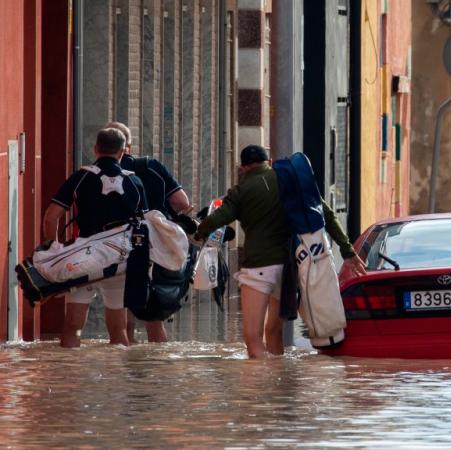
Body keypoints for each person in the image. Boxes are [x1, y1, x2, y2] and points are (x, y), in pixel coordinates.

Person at [194, 145, 367, 359]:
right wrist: (348, 250)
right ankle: (279, 383)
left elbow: (217, 219)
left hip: (259, 268)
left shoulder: (240, 192)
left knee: (253, 337)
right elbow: (327, 215)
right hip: (290, 269)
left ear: (243, 168)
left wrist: (199, 232)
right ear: (270, 160)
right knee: (273, 331)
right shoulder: (291, 181)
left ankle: (261, 389)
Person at [42, 128, 148, 348]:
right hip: (119, 260)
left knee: (73, 327)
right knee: (119, 332)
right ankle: (118, 380)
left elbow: (51, 218)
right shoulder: (135, 183)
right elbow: (144, 226)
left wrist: (53, 250)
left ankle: (71, 378)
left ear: (95, 149)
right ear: (123, 152)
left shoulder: (80, 178)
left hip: (83, 260)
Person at [105, 121, 192, 344]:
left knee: (123, 306)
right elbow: (182, 202)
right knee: (153, 315)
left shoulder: (99, 173)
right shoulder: (150, 166)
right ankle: (155, 366)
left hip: (114, 245)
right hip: (154, 246)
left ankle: (127, 362)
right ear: (128, 147)